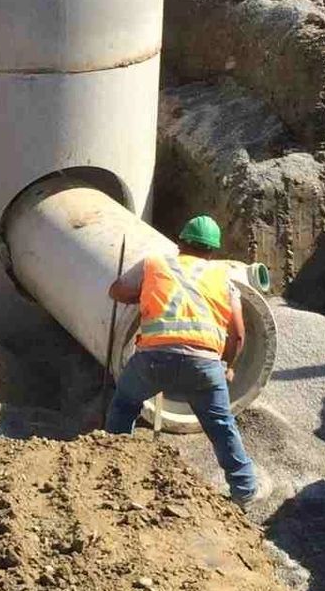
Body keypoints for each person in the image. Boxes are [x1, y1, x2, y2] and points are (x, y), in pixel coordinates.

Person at [104, 214, 258, 504]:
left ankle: (113, 468)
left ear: (180, 242)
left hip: (153, 360)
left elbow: (116, 291)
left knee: (124, 404)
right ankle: (245, 489)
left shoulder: (155, 263)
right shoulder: (224, 277)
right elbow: (238, 334)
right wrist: (229, 367)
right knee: (222, 425)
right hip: (204, 366)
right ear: (213, 250)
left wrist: (146, 296)